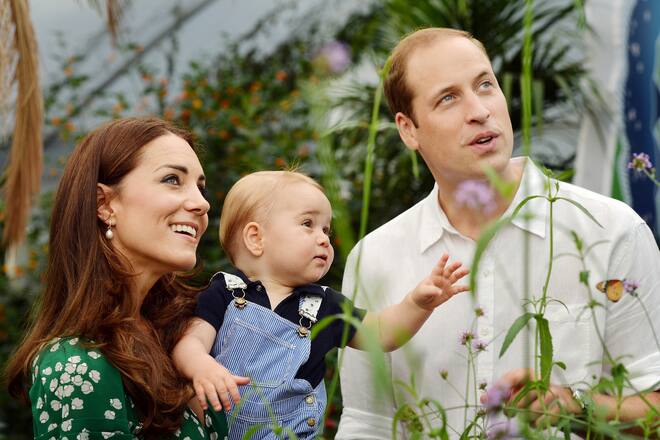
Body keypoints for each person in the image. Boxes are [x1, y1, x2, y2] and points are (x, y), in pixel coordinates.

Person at [336, 28, 660, 438]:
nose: (479, 110)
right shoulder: (375, 257)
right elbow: (369, 421)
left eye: (485, 85)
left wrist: (579, 409)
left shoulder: (611, 230)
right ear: (408, 130)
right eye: (448, 98)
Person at [171, 170, 470, 439]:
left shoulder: (325, 305)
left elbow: (382, 334)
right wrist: (201, 366)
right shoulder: (225, 292)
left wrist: (417, 303)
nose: (324, 239)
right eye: (308, 224)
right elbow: (190, 342)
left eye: (326, 230)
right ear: (256, 238)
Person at [6, 117, 228, 439]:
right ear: (105, 204)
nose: (201, 203)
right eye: (172, 179)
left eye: (200, 187)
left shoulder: (185, 340)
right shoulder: (76, 365)